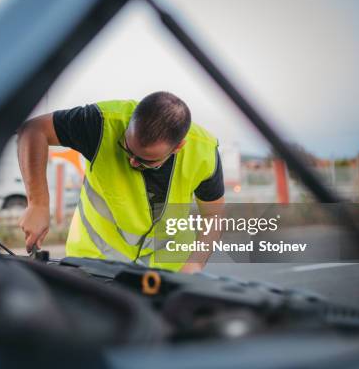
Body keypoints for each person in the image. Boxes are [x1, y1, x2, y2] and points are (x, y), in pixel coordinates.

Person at [17, 91, 224, 272]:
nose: (132, 161)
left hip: (169, 272)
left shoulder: (204, 153)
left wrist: (195, 263)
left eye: (145, 160)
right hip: (95, 265)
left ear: (178, 147)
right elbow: (33, 130)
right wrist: (38, 203)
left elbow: (214, 215)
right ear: (131, 121)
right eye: (127, 148)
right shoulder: (101, 123)